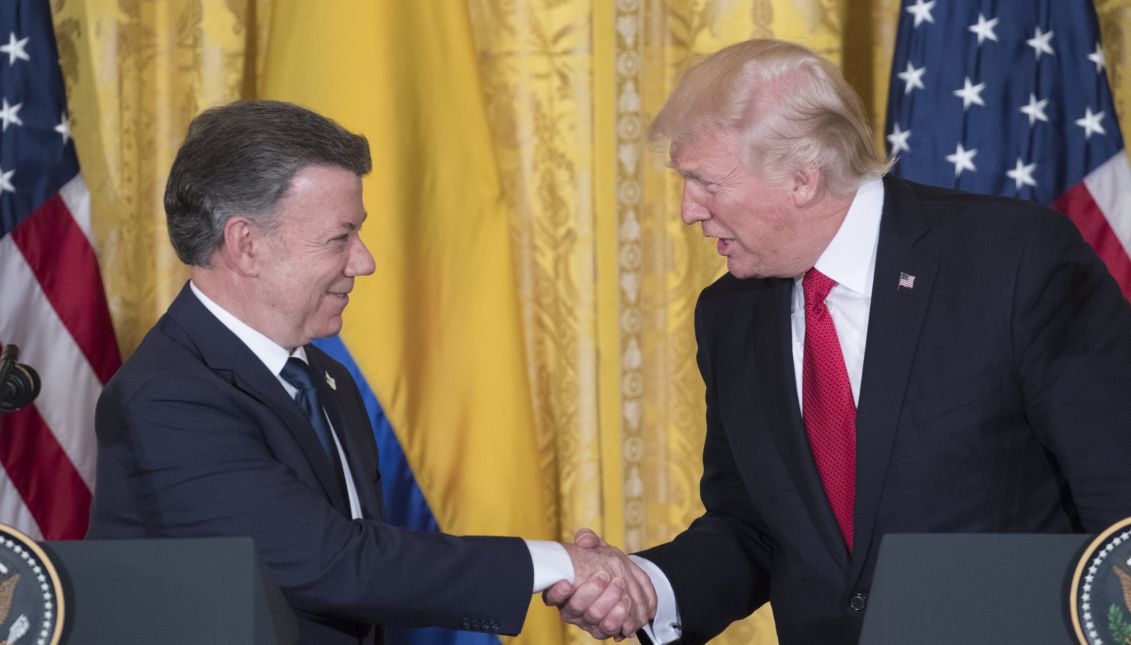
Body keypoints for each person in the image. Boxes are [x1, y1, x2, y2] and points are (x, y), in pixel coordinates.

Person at [546, 38, 1131, 644]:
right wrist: (646, 586)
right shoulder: (728, 314)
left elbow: (1121, 503)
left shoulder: (1012, 260)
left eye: (705, 183)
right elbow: (751, 528)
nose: (688, 211)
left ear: (802, 178)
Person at [86, 99, 655, 644]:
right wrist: (558, 564)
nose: (365, 261)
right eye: (340, 238)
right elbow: (333, 564)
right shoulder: (167, 397)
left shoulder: (322, 376)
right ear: (246, 244)